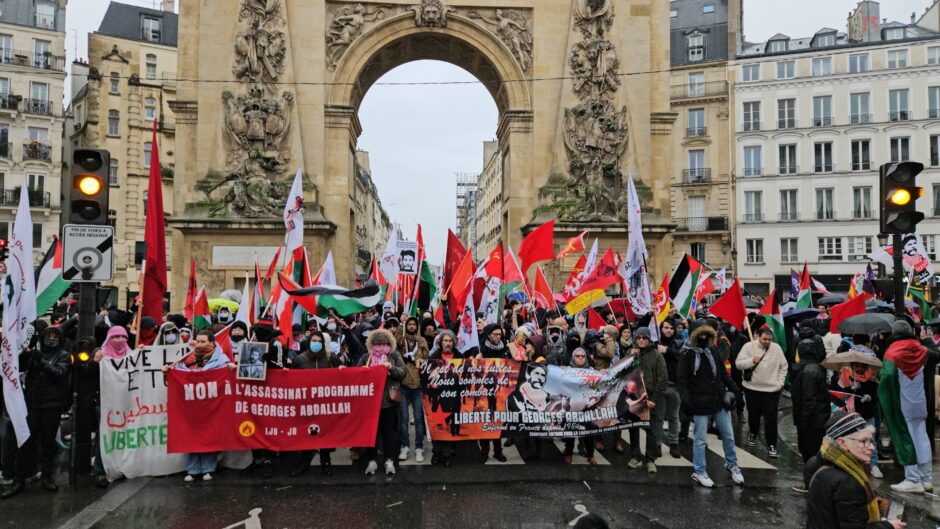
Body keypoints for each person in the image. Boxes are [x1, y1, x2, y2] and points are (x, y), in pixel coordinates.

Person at [2, 327, 69, 499]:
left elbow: (59, 374)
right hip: (32, 405)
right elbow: (19, 367)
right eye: (48, 336)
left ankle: (46, 477)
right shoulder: (34, 353)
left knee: (47, 444)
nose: (51, 339)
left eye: (55, 336)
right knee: (26, 444)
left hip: (52, 406)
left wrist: (43, 363)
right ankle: (19, 480)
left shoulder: (64, 355)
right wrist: (25, 353)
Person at [805, 412, 904, 529]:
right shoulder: (848, 482)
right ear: (842, 443)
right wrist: (887, 525)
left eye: (871, 440)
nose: (872, 447)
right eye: (864, 441)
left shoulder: (814, 462)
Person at [162, 329, 236, 481]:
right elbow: (177, 376)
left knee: (210, 433)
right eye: (198, 341)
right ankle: (193, 469)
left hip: (212, 405)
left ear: (212, 343)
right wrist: (167, 372)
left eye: (204, 342)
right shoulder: (187, 358)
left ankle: (209, 468)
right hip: (192, 405)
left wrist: (231, 370)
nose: (200, 344)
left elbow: (228, 377)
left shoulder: (222, 360)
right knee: (191, 434)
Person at [677, 323, 744, 488]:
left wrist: (736, 391)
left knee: (728, 434)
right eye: (701, 334)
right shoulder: (687, 354)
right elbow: (682, 380)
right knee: (700, 439)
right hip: (699, 401)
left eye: (708, 335)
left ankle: (731, 463)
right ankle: (699, 471)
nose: (704, 338)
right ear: (694, 335)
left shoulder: (712, 350)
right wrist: (686, 401)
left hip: (717, 398)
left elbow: (722, 373)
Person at [880, 320, 934, 494]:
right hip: (920, 402)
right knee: (922, 438)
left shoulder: (892, 352)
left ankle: (912, 479)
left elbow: (887, 376)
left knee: (906, 439)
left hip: (902, 404)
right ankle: (926, 478)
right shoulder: (921, 349)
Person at [735, 327, 788, 459]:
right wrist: (751, 361)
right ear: (759, 336)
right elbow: (738, 364)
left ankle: (772, 445)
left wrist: (780, 383)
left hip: (771, 390)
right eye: (765, 339)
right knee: (753, 415)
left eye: (770, 339)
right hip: (752, 388)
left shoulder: (776, 348)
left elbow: (784, 366)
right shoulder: (748, 347)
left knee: (771, 418)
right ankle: (753, 433)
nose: (767, 342)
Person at [359, 328, 406, 476]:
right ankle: (372, 461)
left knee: (389, 433)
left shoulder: (394, 356)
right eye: (377, 343)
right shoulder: (366, 356)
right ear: (371, 344)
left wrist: (391, 368)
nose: (379, 346)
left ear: (389, 343)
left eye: (383, 343)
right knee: (371, 433)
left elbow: (403, 372)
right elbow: (356, 374)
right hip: (370, 402)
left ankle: (389, 460)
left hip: (388, 402)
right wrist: (363, 371)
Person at [830, 345, 882, 478]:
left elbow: (876, 393)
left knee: (870, 439)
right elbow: (838, 393)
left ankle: (873, 464)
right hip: (850, 414)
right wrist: (850, 389)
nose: (859, 369)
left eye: (862, 366)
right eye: (856, 366)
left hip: (867, 413)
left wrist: (868, 395)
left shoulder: (872, 377)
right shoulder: (844, 374)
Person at [290, 330, 335, 476]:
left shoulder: (329, 357)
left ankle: (326, 461)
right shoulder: (300, 359)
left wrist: (340, 369)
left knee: (326, 435)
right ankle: (304, 463)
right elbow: (291, 379)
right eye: (313, 341)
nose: (316, 343)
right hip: (306, 403)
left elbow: (341, 374)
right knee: (306, 434)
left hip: (324, 403)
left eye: (319, 341)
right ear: (309, 342)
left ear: (323, 343)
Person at [627, 327, 667, 473]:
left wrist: (654, 399)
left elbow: (662, 378)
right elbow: (623, 374)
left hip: (650, 399)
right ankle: (635, 456)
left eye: (644, 338)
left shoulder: (657, 355)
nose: (641, 340)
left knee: (652, 430)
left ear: (649, 339)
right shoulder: (631, 353)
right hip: (635, 398)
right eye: (639, 338)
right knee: (633, 429)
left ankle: (650, 459)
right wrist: (631, 358)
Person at [792, 329, 831, 465]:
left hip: (812, 422)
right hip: (815, 420)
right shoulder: (813, 368)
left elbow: (809, 399)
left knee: (811, 453)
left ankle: (812, 483)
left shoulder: (809, 371)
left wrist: (803, 420)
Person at [427, 330, 463, 467]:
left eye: (450, 341)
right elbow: (426, 377)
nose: (447, 344)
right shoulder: (433, 358)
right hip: (437, 398)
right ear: (440, 343)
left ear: (454, 343)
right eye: (445, 341)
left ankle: (447, 454)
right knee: (437, 425)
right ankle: (436, 452)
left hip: (454, 398)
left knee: (450, 425)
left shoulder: (460, 357)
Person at [398, 316, 429, 464]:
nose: (411, 326)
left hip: (417, 385)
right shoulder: (401, 340)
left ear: (417, 326)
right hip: (403, 384)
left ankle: (418, 447)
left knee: (418, 418)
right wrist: (401, 324)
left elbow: (427, 360)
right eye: (409, 324)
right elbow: (394, 342)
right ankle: (404, 446)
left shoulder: (421, 341)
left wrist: (419, 361)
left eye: (413, 324)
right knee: (403, 419)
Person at [477, 324, 508, 463]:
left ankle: (497, 451)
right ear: (488, 335)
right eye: (495, 334)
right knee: (484, 420)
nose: (497, 336)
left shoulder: (505, 349)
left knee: (497, 421)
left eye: (499, 334)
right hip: (484, 392)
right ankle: (484, 451)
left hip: (500, 391)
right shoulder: (481, 351)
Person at [562, 347, 597, 465]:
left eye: (583, 356)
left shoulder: (592, 370)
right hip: (572, 407)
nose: (581, 358)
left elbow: (598, 387)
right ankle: (568, 453)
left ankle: (590, 455)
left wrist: (602, 374)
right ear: (573, 358)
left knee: (588, 432)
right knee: (570, 431)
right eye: (578, 356)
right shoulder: (568, 370)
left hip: (587, 407)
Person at [659, 319, 684, 458]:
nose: (668, 330)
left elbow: (682, 357)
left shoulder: (679, 343)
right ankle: (657, 444)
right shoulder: (656, 344)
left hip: (675, 386)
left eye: (671, 328)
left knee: (674, 417)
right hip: (660, 387)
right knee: (658, 417)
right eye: (666, 327)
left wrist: (667, 351)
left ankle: (674, 444)